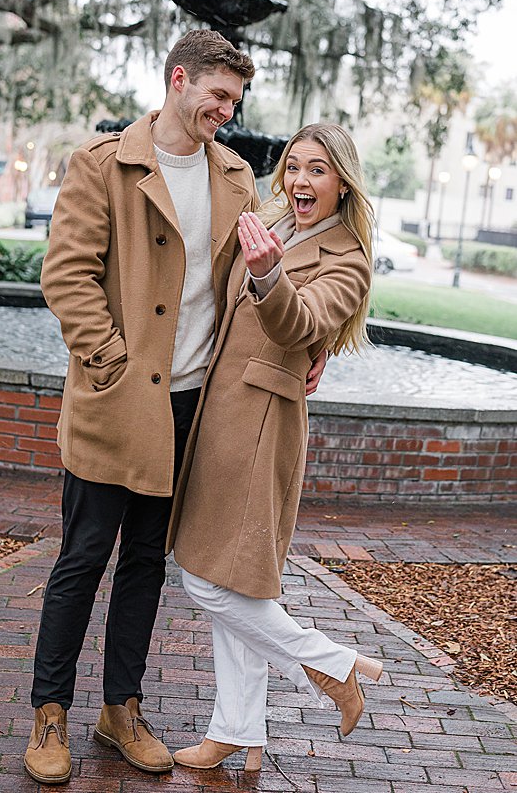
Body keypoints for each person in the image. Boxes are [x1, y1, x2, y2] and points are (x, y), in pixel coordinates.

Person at [24, 29, 330, 784]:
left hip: (193, 411)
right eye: (217, 96)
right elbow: (67, 280)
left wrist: (306, 350)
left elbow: (261, 281)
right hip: (114, 401)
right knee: (82, 559)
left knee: (145, 568)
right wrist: (115, 367)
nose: (225, 112)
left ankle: (119, 709)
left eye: (235, 101)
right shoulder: (104, 165)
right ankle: (50, 712)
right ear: (178, 79)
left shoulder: (235, 177)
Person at [168, 123, 380, 772]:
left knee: (205, 576)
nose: (300, 181)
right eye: (294, 166)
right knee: (234, 582)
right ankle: (239, 732)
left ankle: (332, 664)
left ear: (342, 181)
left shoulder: (348, 258)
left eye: (317, 170)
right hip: (220, 409)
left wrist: (268, 276)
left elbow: (303, 322)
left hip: (259, 424)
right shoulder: (276, 222)